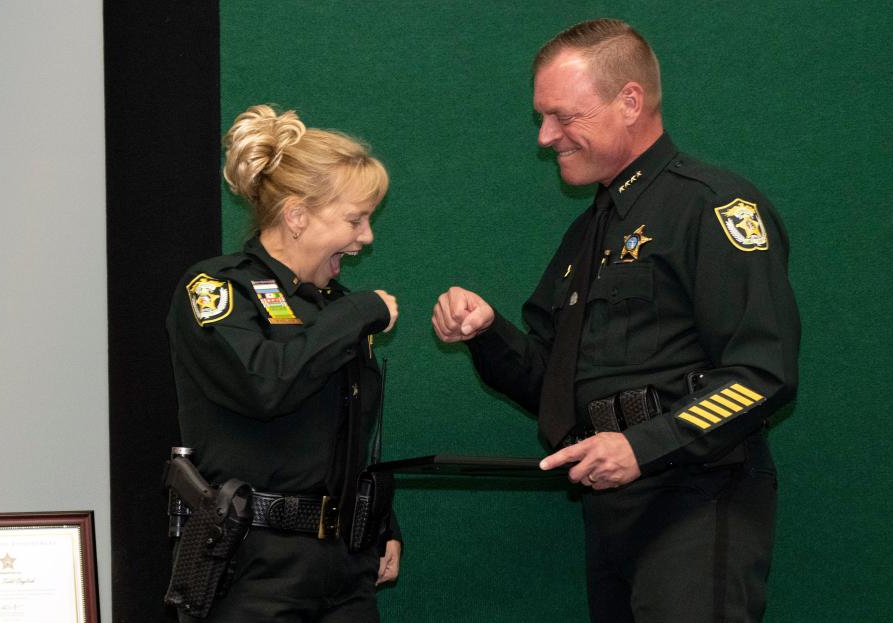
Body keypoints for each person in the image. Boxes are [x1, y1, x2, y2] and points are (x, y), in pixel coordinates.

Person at [432, 19, 799, 622]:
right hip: (613, 506)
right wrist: (486, 332)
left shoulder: (711, 207)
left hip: (696, 496)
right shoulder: (589, 233)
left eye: (562, 116)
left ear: (630, 101)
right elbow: (550, 385)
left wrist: (644, 445)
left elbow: (765, 373)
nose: (546, 136)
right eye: (542, 117)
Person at [167, 104, 402, 622]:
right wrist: (361, 310)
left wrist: (383, 523)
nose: (366, 237)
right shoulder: (218, 288)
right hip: (251, 563)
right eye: (354, 220)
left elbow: (344, 435)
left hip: (344, 563)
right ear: (297, 215)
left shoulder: (331, 306)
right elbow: (264, 385)